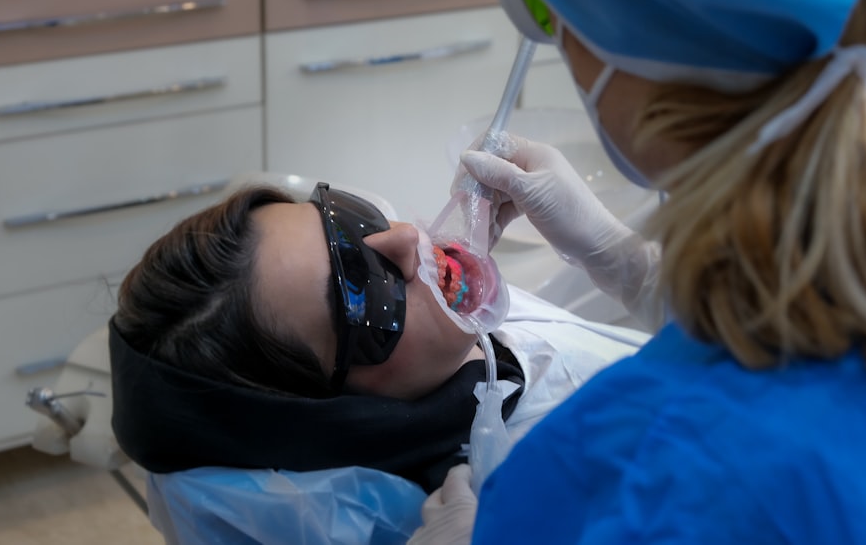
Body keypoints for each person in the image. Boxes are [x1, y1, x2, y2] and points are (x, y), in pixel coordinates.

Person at [409, 0, 866, 543]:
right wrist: (628, 265)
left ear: (652, 46)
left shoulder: (672, 472)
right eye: (354, 287)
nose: (406, 241)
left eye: (549, 10)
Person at [108, 181, 649, 544]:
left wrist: (637, 269)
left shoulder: (452, 354)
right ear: (342, 420)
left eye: (352, 223)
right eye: (364, 295)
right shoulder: (513, 505)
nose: (409, 239)